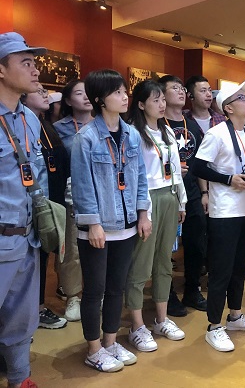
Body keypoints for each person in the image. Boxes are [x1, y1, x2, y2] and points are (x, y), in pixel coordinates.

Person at [71, 69, 152, 372]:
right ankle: (93, 349)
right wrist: (92, 223)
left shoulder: (132, 134)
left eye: (123, 91)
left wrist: (143, 214)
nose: (124, 96)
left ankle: (110, 342)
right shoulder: (86, 138)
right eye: (117, 92)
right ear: (99, 99)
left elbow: (140, 178)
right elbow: (82, 185)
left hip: (127, 224)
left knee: (117, 287)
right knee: (95, 290)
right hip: (98, 227)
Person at [193, 80, 245, 352]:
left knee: (239, 267)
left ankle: (235, 316)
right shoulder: (216, 134)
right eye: (241, 98)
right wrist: (228, 179)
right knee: (221, 270)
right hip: (224, 212)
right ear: (228, 108)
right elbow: (198, 167)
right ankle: (214, 326)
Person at [125, 79, 187, 353]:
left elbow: (175, 170)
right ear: (141, 104)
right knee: (141, 263)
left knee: (164, 260)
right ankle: (137, 325)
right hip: (148, 200)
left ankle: (161, 319)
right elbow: (135, 176)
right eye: (156, 100)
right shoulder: (133, 133)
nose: (162, 104)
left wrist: (181, 201)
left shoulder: (167, 131)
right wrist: (143, 212)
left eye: (163, 99)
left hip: (170, 196)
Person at [0, 32, 47, 388]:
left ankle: (19, 378)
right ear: (1, 70)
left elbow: (38, 177)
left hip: (28, 239)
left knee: (23, 318)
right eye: (25, 63)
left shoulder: (30, 118)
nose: (35, 70)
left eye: (35, 62)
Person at [21, 85, 69, 331]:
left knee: (43, 256)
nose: (45, 94)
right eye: (38, 91)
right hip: (27, 206)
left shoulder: (45, 125)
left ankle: (38, 308)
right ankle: (29, 313)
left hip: (50, 202)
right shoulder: (18, 124)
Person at [160, 75, 209, 315]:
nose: (180, 92)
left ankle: (192, 290)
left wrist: (205, 192)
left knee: (196, 243)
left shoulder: (192, 125)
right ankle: (166, 294)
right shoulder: (157, 124)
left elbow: (200, 163)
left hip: (192, 190)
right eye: (174, 88)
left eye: (182, 88)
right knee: (166, 246)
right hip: (168, 191)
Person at [53, 79, 93, 322]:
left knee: (100, 247)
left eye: (88, 92)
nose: (86, 97)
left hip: (102, 195)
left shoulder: (103, 123)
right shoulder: (59, 128)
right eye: (79, 93)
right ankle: (72, 296)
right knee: (72, 249)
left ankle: (94, 293)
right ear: (68, 100)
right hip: (72, 196)